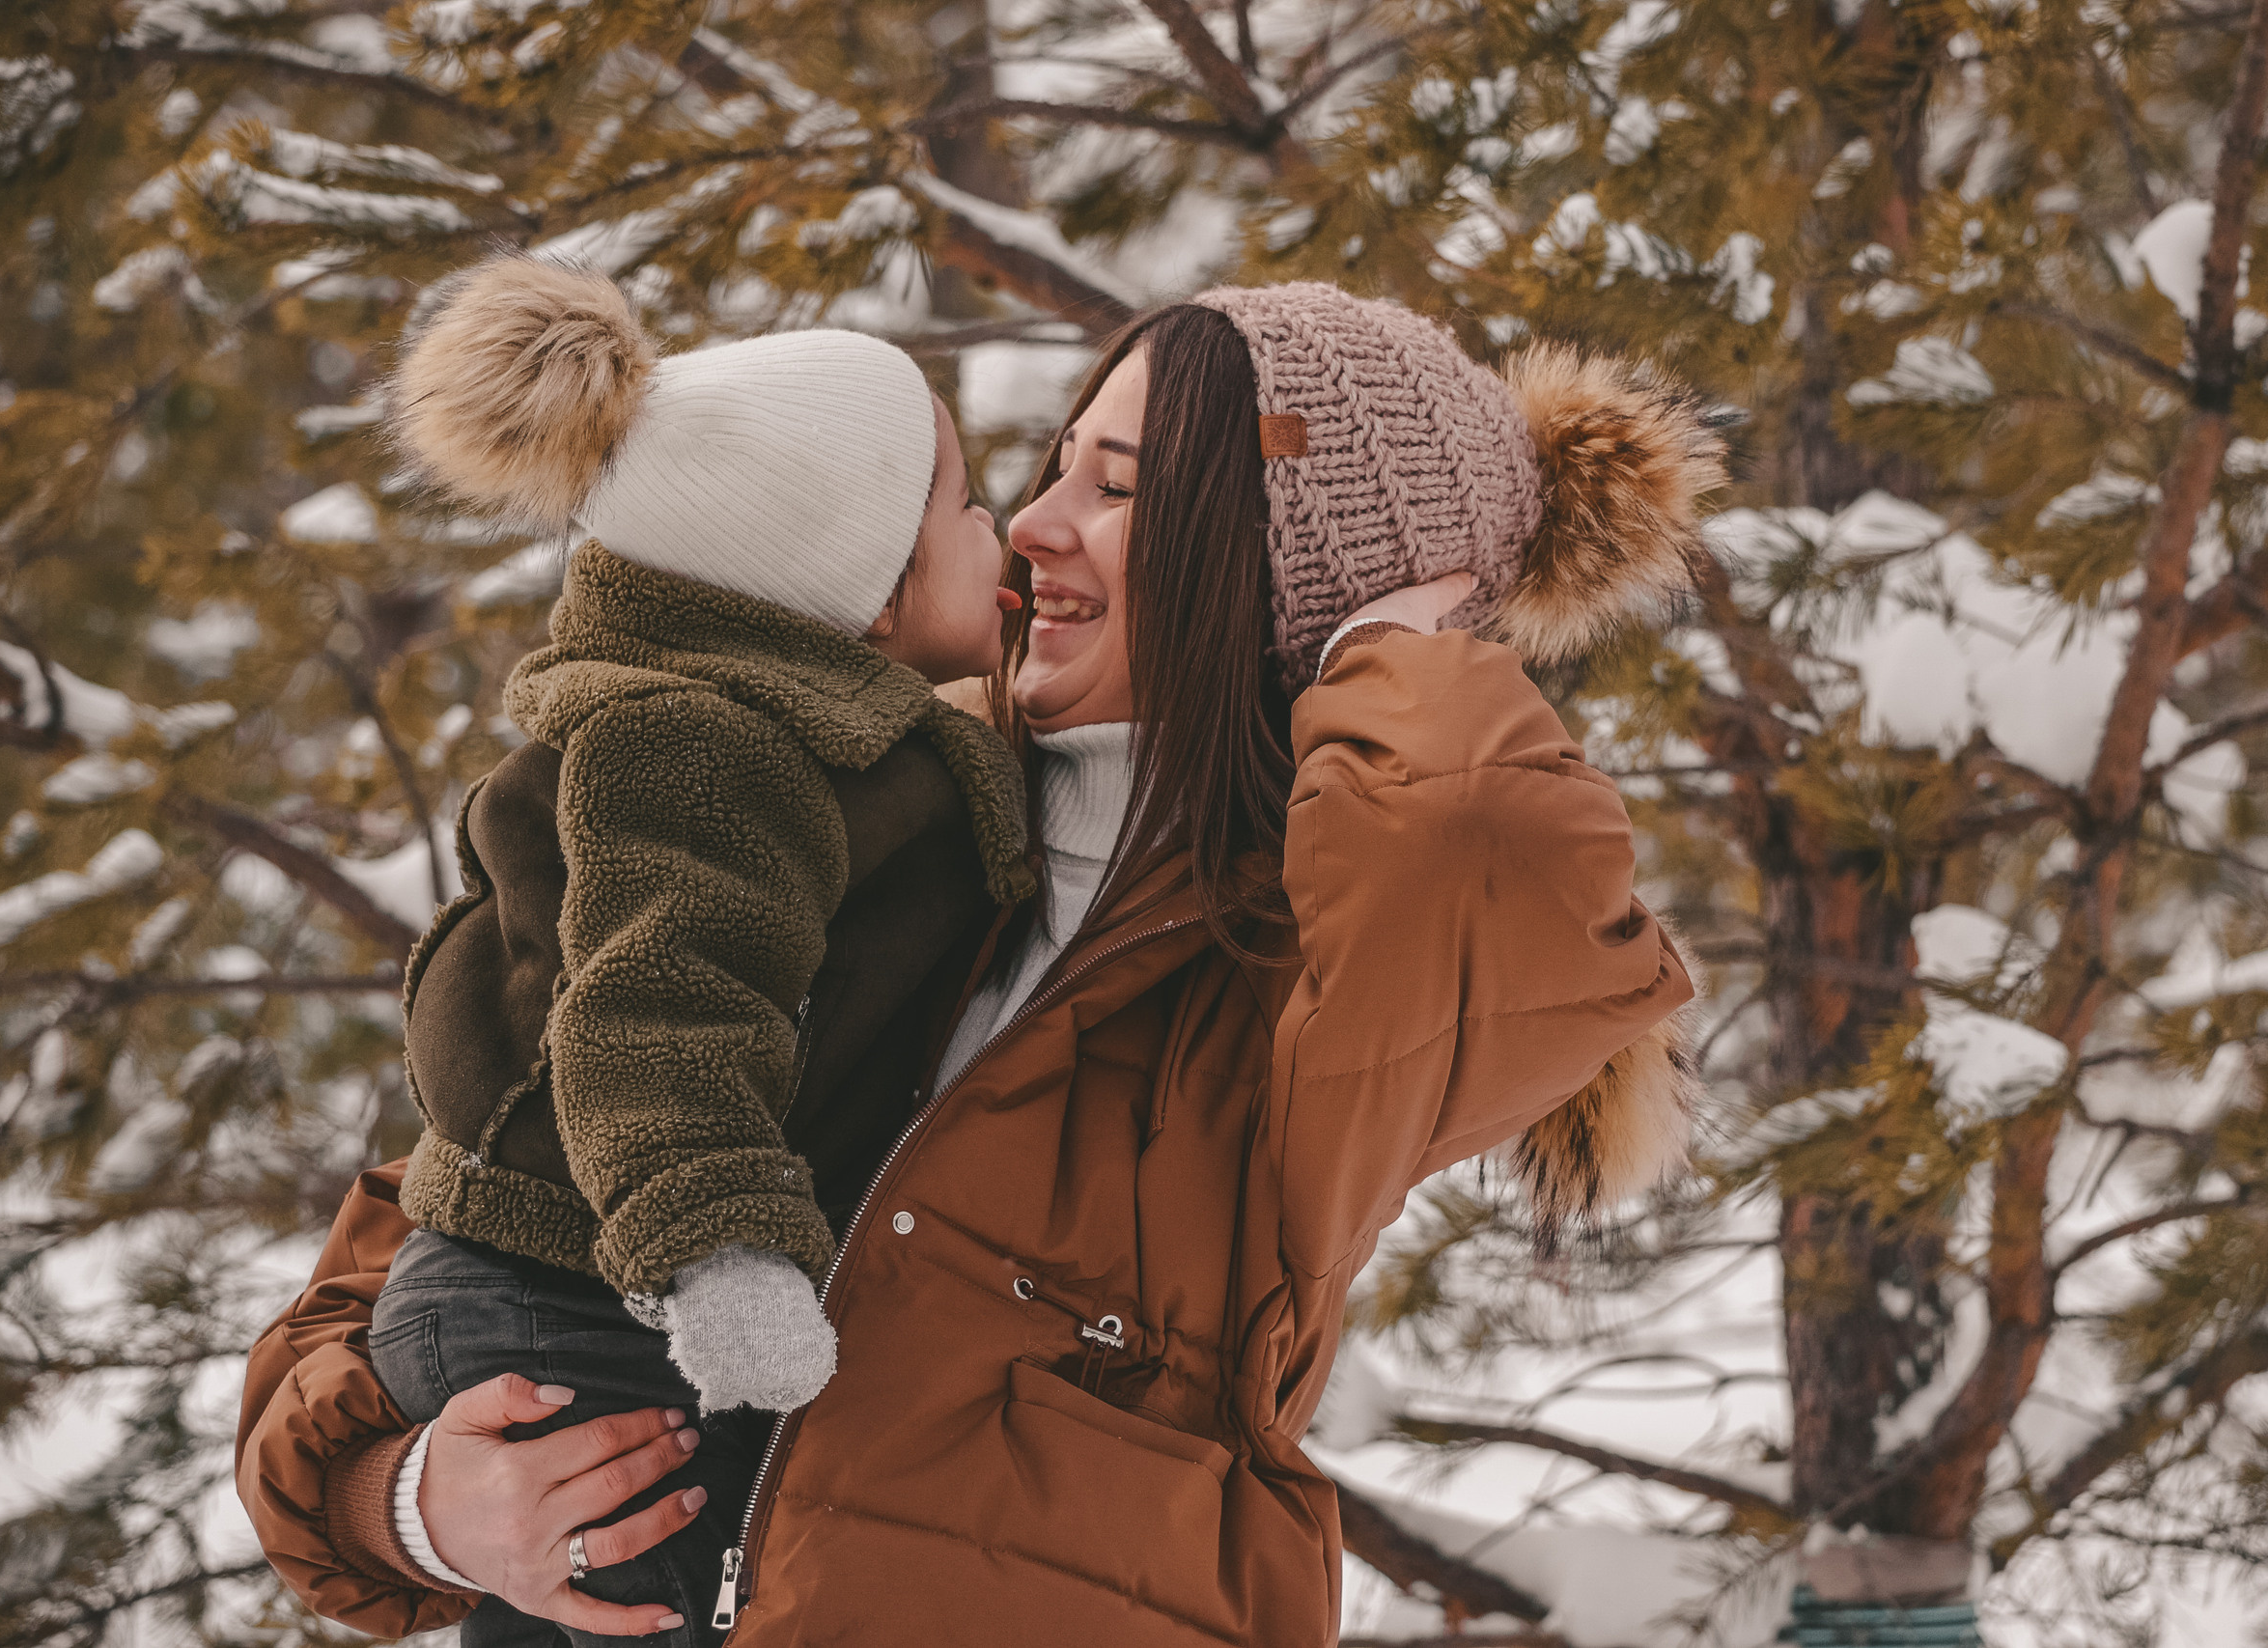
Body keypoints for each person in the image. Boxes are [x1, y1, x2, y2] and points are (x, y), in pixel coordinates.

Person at [237, 282, 1726, 1647]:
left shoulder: (1311, 986)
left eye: (1118, 488)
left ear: (1277, 569)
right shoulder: (848, 812)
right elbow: (455, 1230)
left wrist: (1384, 642)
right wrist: (413, 1502)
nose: (1030, 524)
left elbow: (1487, 842)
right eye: (1053, 466)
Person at [348, 251, 1035, 1647]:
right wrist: (721, 1255)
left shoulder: (798, 742)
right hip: (578, 1301)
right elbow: (658, 1013)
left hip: (581, 1288)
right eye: (966, 507)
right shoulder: (703, 750)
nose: (1007, 532)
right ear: (868, 593)